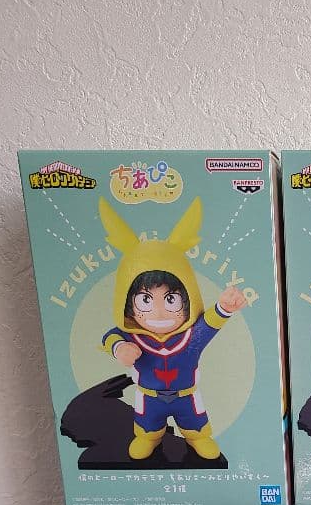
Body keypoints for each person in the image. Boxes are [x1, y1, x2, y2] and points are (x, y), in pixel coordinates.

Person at [98, 197, 247, 460]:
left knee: (196, 424)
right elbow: (110, 336)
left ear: (188, 297)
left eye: (170, 299)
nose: (158, 312)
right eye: (145, 300)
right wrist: (120, 347)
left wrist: (224, 306)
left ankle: (197, 437)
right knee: (146, 427)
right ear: (128, 303)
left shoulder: (190, 338)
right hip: (149, 398)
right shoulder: (134, 336)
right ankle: (148, 437)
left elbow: (209, 322)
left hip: (186, 397)